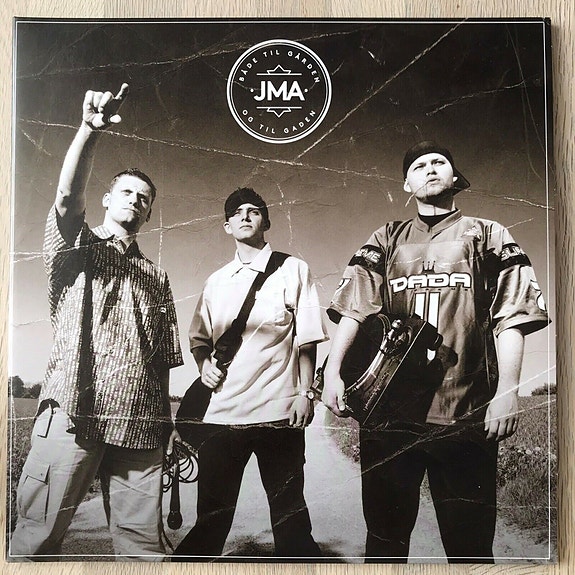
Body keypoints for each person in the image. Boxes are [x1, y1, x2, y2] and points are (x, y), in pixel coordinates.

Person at [322, 141, 550, 563]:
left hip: (464, 410)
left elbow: (512, 315)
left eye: (439, 162)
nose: (430, 169)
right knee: (384, 544)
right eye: (419, 166)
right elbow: (356, 308)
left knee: (470, 549)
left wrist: (508, 391)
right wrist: (333, 371)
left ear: (455, 177)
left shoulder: (488, 233)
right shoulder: (386, 238)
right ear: (406, 184)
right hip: (388, 414)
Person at [10, 84, 183, 561]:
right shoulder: (77, 246)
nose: (135, 200)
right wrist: (89, 129)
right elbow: (67, 198)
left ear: (150, 212)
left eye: (144, 198)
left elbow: (163, 359)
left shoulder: (158, 276)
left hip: (140, 425)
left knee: (144, 551)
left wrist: (167, 424)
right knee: (36, 540)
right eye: (126, 192)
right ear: (106, 199)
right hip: (73, 412)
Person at [172, 188, 327, 561]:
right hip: (222, 415)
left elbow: (307, 340)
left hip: (278, 414)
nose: (245, 216)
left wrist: (305, 394)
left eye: (253, 211)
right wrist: (204, 365)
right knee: (211, 520)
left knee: (291, 519)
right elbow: (199, 339)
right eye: (236, 212)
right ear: (227, 226)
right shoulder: (216, 281)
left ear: (265, 221)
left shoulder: (294, 269)